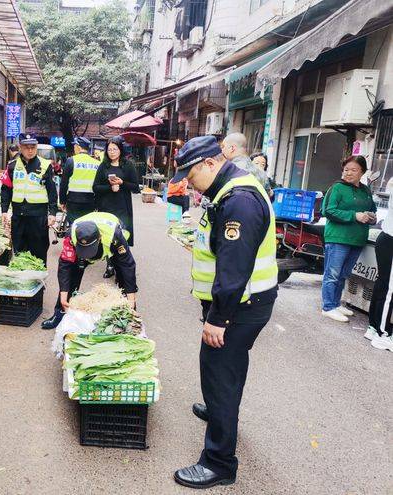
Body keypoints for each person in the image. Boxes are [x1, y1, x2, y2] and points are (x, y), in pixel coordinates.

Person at [171, 136, 278, 489]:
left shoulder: (239, 201)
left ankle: (219, 463)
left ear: (210, 164)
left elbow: (234, 270)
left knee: (218, 373)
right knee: (229, 369)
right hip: (243, 305)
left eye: (190, 173)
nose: (187, 181)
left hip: (239, 308)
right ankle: (221, 412)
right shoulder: (227, 192)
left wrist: (218, 319)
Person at [41, 212, 137, 329]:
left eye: (89, 251)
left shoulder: (115, 235)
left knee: (122, 274)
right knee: (72, 274)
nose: (87, 256)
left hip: (112, 242)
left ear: (99, 238)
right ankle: (59, 314)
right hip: (86, 234)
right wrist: (63, 296)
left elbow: (128, 266)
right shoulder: (71, 236)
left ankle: (128, 313)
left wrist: (131, 301)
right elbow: (65, 266)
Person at [320, 156, 377, 322]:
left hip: (357, 238)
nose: (348, 173)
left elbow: (372, 209)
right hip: (338, 238)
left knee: (343, 274)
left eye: (354, 170)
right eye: (346, 169)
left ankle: (336, 303)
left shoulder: (366, 190)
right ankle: (328, 306)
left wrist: (371, 217)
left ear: (362, 172)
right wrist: (355, 216)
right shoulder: (337, 188)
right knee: (332, 273)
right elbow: (328, 211)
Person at [1, 133, 57, 264]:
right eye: (26, 147)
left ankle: (39, 282)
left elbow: (52, 191)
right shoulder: (12, 166)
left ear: (36, 147)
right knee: (20, 252)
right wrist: (4, 210)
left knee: (39, 252)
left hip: (38, 217)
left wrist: (53, 213)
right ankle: (22, 281)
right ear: (20, 147)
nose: (30, 150)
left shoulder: (45, 165)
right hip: (18, 217)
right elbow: (6, 189)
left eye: (33, 147)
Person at [93, 136, 140, 278]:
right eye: (109, 149)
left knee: (121, 236)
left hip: (123, 207)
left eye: (115, 149)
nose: (112, 152)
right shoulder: (103, 166)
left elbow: (136, 187)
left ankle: (122, 266)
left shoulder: (128, 165)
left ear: (120, 150)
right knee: (107, 236)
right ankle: (110, 265)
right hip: (106, 207)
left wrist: (122, 183)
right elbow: (95, 187)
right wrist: (109, 187)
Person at [368, 177, 393, 351]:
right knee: (389, 289)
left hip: (387, 237)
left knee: (384, 284)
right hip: (390, 238)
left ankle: (374, 326)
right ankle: (382, 333)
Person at [59, 137, 100, 225]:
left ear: (78, 147)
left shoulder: (71, 161)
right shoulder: (97, 164)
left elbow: (64, 184)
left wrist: (62, 201)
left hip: (73, 201)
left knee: (74, 226)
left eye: (75, 145)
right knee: (87, 227)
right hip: (90, 201)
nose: (74, 148)